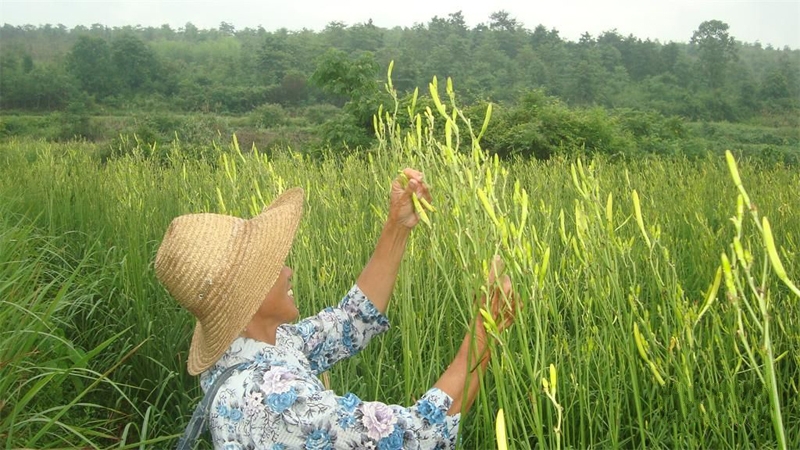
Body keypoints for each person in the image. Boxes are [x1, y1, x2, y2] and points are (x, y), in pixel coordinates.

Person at [155, 169, 518, 449]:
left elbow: (351, 319)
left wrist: (398, 225)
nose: (288, 270)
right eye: (272, 266)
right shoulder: (271, 398)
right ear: (247, 300)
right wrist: (484, 333)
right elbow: (414, 436)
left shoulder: (258, 348)